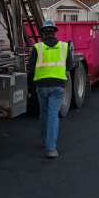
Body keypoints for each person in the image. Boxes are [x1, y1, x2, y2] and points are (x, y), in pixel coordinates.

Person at [27, 20, 73, 158]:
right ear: (54, 32)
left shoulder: (37, 47)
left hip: (42, 85)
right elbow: (69, 66)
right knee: (53, 115)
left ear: (43, 33)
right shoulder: (64, 47)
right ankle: (51, 148)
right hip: (58, 85)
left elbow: (30, 68)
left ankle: (44, 140)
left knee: (43, 113)